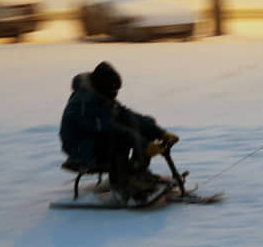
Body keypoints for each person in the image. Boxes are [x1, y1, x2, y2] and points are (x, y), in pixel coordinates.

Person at [60, 61, 179, 203]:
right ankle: (121, 187)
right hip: (80, 148)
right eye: (113, 90)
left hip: (95, 141)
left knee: (141, 125)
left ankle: (137, 173)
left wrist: (160, 133)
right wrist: (145, 145)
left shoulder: (100, 96)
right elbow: (111, 128)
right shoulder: (84, 103)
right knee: (120, 136)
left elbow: (128, 116)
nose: (115, 94)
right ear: (103, 87)